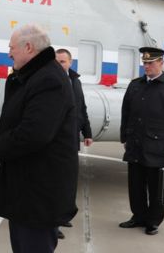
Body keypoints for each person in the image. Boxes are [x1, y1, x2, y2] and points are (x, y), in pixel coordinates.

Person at [0, 24, 78, 253]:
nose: (9, 53)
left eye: (12, 48)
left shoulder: (48, 79)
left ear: (28, 47)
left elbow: (34, 133)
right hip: (27, 192)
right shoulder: (35, 75)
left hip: (38, 195)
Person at [119, 47, 164, 236]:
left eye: (150, 63)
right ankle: (138, 216)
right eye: (144, 63)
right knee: (136, 185)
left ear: (160, 63)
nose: (146, 66)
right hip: (135, 144)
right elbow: (126, 112)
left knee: (155, 187)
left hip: (158, 145)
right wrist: (125, 136)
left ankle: (153, 221)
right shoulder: (135, 85)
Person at [54, 48, 93, 239]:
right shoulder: (51, 81)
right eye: (56, 61)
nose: (59, 65)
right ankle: (52, 224)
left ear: (70, 62)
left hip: (71, 139)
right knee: (54, 182)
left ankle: (62, 216)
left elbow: (81, 108)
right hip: (55, 141)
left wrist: (87, 132)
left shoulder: (75, 82)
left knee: (68, 181)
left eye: (62, 61)